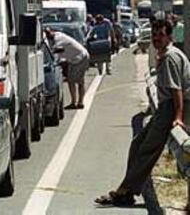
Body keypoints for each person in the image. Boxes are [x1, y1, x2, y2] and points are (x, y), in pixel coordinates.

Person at [95, 18, 190, 207]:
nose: (156, 39)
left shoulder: (170, 57)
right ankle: (127, 189)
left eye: (161, 35)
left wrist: (178, 117)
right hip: (165, 106)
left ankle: (125, 190)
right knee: (137, 143)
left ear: (169, 37)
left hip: (172, 106)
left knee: (147, 149)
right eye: (154, 35)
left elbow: (176, 91)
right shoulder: (164, 55)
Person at [45, 27, 90, 110]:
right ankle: (79, 102)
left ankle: (75, 102)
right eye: (47, 34)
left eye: (49, 33)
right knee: (79, 81)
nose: (48, 35)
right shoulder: (57, 35)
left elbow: (55, 50)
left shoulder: (59, 38)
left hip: (79, 57)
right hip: (79, 57)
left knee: (73, 81)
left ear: (52, 32)